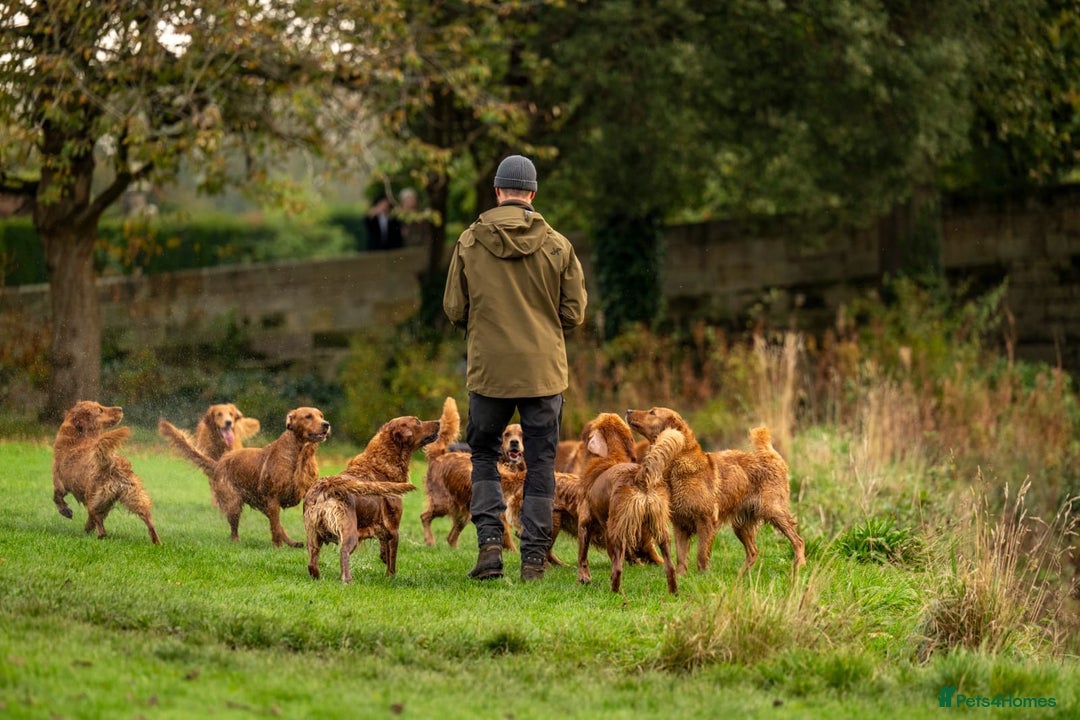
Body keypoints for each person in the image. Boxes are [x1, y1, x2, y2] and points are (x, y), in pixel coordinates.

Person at [443, 154, 588, 582]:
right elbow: (575, 313)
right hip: (543, 372)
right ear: (532, 194)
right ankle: (534, 561)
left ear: (497, 192)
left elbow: (454, 308)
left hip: (489, 372)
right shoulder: (559, 245)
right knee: (541, 464)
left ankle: (490, 549)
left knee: (483, 456)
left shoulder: (469, 242)